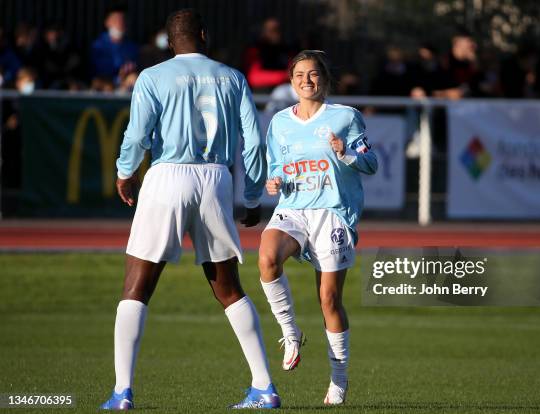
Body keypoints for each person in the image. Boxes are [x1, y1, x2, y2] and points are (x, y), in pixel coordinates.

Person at [100, 9, 280, 410]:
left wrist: (125, 172)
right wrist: (251, 198)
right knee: (228, 287)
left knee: (137, 284)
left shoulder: (152, 77)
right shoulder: (233, 77)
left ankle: (121, 392)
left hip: (167, 176)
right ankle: (264, 386)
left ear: (169, 40)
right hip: (216, 178)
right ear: (203, 34)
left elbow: (138, 133)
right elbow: (253, 143)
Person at [258, 50, 377, 405]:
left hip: (333, 213)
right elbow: (276, 165)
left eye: (313, 74)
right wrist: (273, 181)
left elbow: (370, 162)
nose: (306, 81)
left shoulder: (345, 118)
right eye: (299, 75)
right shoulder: (279, 121)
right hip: (293, 209)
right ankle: (290, 333)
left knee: (329, 298)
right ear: (291, 81)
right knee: (266, 258)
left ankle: (338, 381)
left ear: (324, 79)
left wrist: (345, 153)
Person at [91, 7, 138, 85]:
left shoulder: (132, 47)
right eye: (115, 20)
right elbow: (97, 74)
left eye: (123, 20)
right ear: (107, 22)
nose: (120, 23)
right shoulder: (98, 46)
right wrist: (120, 78)